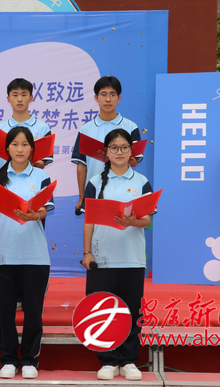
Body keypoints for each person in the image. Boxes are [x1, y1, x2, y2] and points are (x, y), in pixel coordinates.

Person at [0, 126, 54, 380]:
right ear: (7, 149)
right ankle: (9, 359)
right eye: (15, 144)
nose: (20, 149)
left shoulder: (41, 175)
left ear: (32, 149)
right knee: (5, 311)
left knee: (33, 311)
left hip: (35, 255)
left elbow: (44, 210)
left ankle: (30, 359)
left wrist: (34, 215)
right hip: (3, 253)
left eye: (25, 144)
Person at [80, 128, 152, 381]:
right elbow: (88, 221)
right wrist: (87, 252)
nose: (119, 152)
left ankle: (129, 360)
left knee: (132, 310)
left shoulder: (141, 181)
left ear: (132, 151)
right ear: (105, 152)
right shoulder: (95, 182)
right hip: (102, 258)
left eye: (124, 147)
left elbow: (147, 220)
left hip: (132, 257)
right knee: (102, 309)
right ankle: (108, 361)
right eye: (114, 147)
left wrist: (133, 222)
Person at [71, 76, 142, 212]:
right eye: (103, 94)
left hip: (124, 192)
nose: (108, 99)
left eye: (112, 94)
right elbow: (81, 165)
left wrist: (111, 157)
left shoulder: (131, 127)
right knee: (94, 226)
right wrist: (82, 197)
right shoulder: (86, 129)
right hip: (95, 191)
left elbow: (134, 163)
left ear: (119, 98)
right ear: (96, 98)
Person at [0, 78, 53, 174]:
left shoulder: (43, 128)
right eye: (15, 95)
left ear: (31, 98)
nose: (19, 99)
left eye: (24, 95)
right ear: (8, 99)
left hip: (32, 181)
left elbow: (42, 163)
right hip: (4, 180)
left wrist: (30, 162)